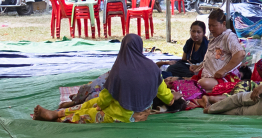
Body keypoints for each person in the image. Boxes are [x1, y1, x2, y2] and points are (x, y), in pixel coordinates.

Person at [33, 35, 184, 123]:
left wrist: (99, 106)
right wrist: (171, 99)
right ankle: (57, 113)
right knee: (91, 104)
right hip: (141, 114)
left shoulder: (120, 69)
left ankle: (57, 116)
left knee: (90, 113)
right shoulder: (152, 68)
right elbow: (164, 94)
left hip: (121, 116)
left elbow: (106, 97)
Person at [191, 9, 245, 96]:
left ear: (223, 24)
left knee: (201, 83)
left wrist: (223, 70)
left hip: (224, 78)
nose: (211, 29)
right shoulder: (216, 37)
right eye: (209, 25)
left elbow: (240, 54)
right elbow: (213, 58)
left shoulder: (229, 37)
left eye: (214, 25)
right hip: (210, 76)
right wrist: (198, 67)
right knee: (190, 82)